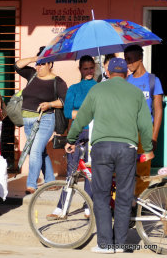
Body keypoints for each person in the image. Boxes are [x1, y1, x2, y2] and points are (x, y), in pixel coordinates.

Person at [65, 58, 154, 253]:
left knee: (101, 196)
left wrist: (71, 139)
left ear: (108, 72)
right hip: (128, 148)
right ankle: (121, 244)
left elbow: (82, 117)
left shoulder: (96, 90)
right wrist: (148, 149)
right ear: (126, 74)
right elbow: (146, 125)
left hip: (102, 148)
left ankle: (105, 244)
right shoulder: (136, 93)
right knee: (123, 196)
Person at [47, 55, 97, 219]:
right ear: (80, 69)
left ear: (95, 68)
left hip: (96, 133)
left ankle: (88, 206)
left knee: (90, 171)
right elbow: (68, 112)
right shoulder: (74, 88)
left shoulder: (99, 87)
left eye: (91, 67)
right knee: (71, 171)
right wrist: (87, 114)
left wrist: (80, 114)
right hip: (76, 132)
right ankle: (62, 207)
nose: (89, 71)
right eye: (85, 68)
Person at [15, 46, 68, 194]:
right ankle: (51, 181)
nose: (39, 67)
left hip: (45, 119)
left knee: (35, 151)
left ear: (50, 64)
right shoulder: (31, 74)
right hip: (27, 120)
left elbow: (64, 101)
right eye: (38, 63)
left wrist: (50, 104)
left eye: (43, 63)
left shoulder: (57, 81)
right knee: (40, 151)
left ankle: (32, 184)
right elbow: (17, 66)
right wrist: (34, 59)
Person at [124, 45, 164, 197]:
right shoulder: (126, 82)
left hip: (146, 132)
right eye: (125, 60)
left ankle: (141, 202)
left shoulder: (153, 81)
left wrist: (154, 136)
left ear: (140, 58)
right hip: (128, 132)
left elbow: (158, 109)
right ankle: (125, 204)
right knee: (125, 169)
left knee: (143, 171)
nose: (127, 64)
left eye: (130, 60)